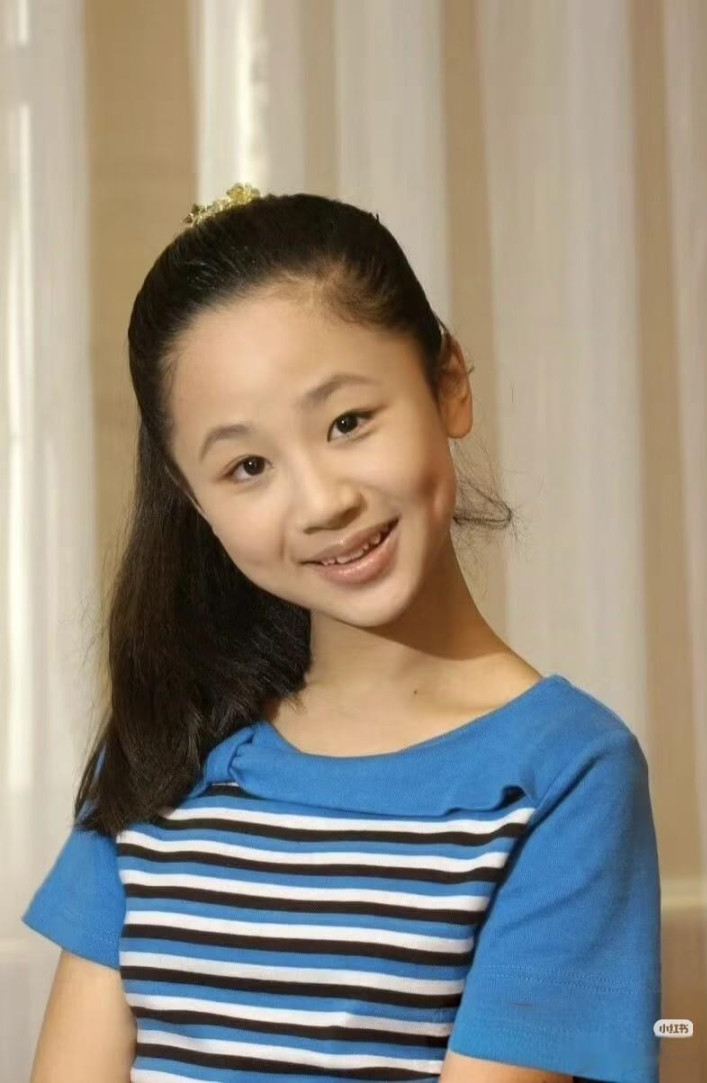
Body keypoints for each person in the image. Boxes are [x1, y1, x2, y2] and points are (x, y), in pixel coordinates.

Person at [22, 185, 661, 1083]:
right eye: (248, 465)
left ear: (449, 384)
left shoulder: (565, 774)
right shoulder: (165, 742)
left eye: (348, 422)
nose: (322, 501)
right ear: (192, 498)